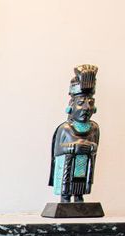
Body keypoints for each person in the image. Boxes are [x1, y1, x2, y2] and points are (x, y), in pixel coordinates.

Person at [49, 65, 100, 203]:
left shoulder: (94, 128)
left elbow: (96, 148)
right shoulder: (65, 128)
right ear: (71, 104)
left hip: (83, 167)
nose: (86, 108)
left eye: (90, 103)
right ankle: (65, 199)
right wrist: (74, 147)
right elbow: (57, 150)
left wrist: (91, 147)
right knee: (66, 191)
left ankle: (79, 198)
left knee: (80, 190)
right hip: (67, 166)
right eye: (81, 103)